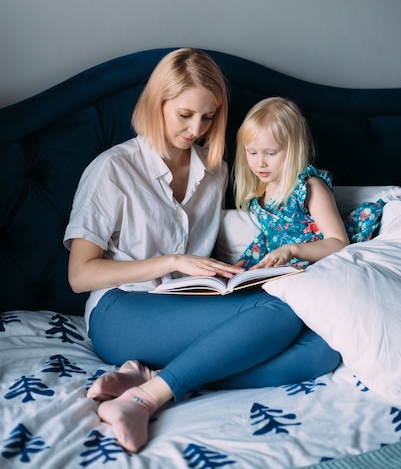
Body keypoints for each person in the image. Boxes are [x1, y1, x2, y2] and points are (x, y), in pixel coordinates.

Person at [65, 49, 341, 454]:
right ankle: (145, 401)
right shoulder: (113, 169)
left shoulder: (216, 172)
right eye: (185, 115)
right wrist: (173, 261)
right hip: (121, 309)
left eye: (208, 117)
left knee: (323, 349)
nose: (197, 128)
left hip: (188, 305)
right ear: (157, 104)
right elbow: (79, 275)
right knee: (281, 312)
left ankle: (152, 377)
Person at [233, 96, 349, 270]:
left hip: (317, 262)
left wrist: (292, 250)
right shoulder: (261, 189)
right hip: (282, 266)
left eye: (270, 153)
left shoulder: (310, 188)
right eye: (252, 152)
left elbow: (339, 242)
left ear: (294, 149)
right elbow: (272, 236)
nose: (260, 163)